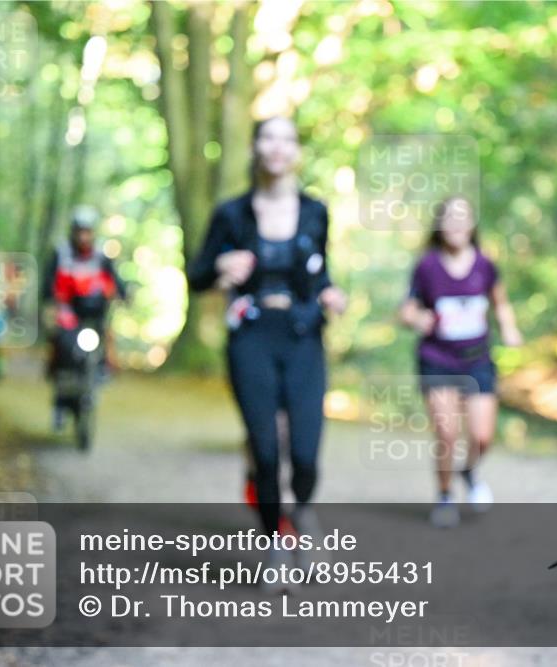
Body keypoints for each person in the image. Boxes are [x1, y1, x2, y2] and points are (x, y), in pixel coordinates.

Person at [186, 116, 347, 589]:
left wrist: (332, 295)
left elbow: (320, 276)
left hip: (302, 337)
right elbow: (194, 276)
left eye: (286, 138)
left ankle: (302, 514)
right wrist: (219, 266)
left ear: (296, 151)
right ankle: (276, 541)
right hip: (251, 337)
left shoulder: (316, 212)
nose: (276, 147)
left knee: (305, 453)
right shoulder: (231, 215)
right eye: (267, 137)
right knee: (264, 449)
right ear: (255, 148)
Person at [399, 196, 522, 528]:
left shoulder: (485, 264)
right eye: (449, 217)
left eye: (462, 217)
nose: (455, 224)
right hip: (437, 360)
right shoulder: (426, 266)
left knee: (482, 437)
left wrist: (509, 329)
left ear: (472, 225)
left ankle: (468, 470)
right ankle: (444, 495)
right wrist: (416, 319)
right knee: (447, 433)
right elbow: (406, 309)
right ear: (440, 225)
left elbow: (501, 303)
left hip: (477, 360)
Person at [42, 205, 126, 428]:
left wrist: (123, 294)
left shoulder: (101, 256)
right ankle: (60, 400)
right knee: (61, 345)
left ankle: (101, 370)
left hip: (95, 317)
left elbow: (116, 281)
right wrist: (52, 298)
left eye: (87, 231)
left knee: (106, 338)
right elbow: (48, 283)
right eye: (80, 231)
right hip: (69, 316)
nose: (83, 237)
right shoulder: (61, 253)